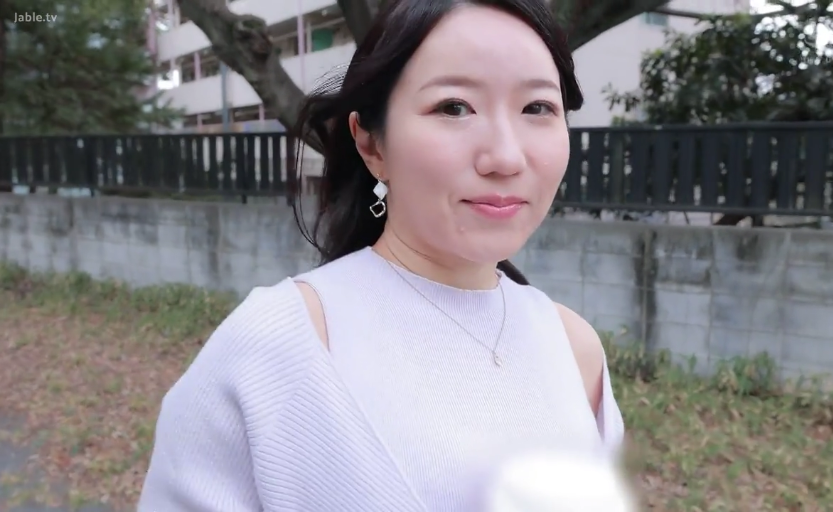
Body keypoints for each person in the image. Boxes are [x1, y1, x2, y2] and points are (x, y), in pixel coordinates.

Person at [137, 0, 624, 510]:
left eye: (537, 108)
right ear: (371, 144)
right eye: (454, 107)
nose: (505, 157)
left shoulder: (575, 348)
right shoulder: (279, 345)